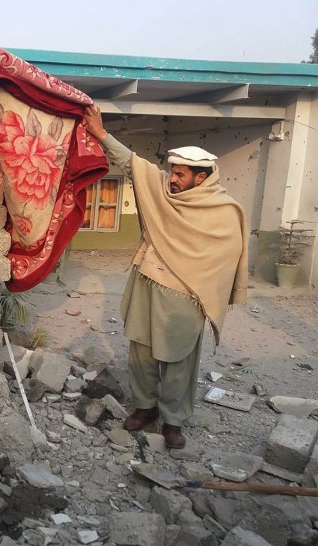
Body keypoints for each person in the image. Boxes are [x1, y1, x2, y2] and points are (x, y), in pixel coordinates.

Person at [82, 105, 249, 449]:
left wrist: (204, 289)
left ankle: (173, 421)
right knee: (141, 354)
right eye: (172, 171)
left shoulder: (224, 210)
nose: (171, 178)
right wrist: (101, 135)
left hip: (187, 296)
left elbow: (226, 260)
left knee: (179, 362)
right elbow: (131, 163)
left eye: (180, 174)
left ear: (201, 177)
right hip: (148, 284)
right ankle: (145, 409)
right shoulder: (160, 189)